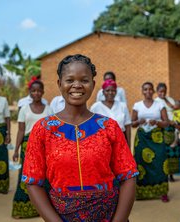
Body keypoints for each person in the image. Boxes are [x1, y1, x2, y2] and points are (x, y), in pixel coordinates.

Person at [22, 54, 138, 221]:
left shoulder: (109, 127)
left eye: (84, 80)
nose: (77, 85)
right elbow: (33, 182)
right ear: (59, 84)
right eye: (69, 80)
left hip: (109, 216)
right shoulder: (43, 129)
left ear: (93, 85)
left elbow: (128, 176)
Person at [12, 80, 52, 219]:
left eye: (39, 91)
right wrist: (16, 150)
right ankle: (22, 208)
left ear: (43, 92)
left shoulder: (48, 109)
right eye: (33, 91)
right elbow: (21, 131)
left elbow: (52, 131)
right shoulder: (24, 109)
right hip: (27, 147)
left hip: (45, 147)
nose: (36, 93)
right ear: (30, 93)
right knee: (26, 176)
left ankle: (44, 209)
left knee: (45, 176)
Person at [132, 82, 170, 202]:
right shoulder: (137, 105)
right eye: (145, 89)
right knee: (141, 164)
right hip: (142, 138)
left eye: (150, 89)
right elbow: (132, 124)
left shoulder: (160, 104)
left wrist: (157, 123)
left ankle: (163, 192)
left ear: (153, 91)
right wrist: (138, 121)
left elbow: (166, 122)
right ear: (142, 91)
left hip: (157, 138)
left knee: (160, 163)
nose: (148, 91)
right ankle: (141, 193)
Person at [91, 79, 132, 147]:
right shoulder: (96, 107)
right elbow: (91, 127)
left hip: (120, 141)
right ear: (103, 92)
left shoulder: (122, 106)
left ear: (116, 92)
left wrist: (129, 145)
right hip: (102, 142)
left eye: (113, 90)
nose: (110, 92)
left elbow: (127, 126)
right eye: (107, 90)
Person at [155, 83, 180, 182]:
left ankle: (171, 174)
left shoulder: (170, 99)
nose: (162, 93)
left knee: (172, 152)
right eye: (160, 91)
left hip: (172, 129)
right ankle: (164, 174)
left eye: (164, 91)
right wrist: (170, 122)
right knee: (164, 152)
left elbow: (175, 109)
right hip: (163, 128)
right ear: (157, 92)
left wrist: (165, 99)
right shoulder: (156, 102)